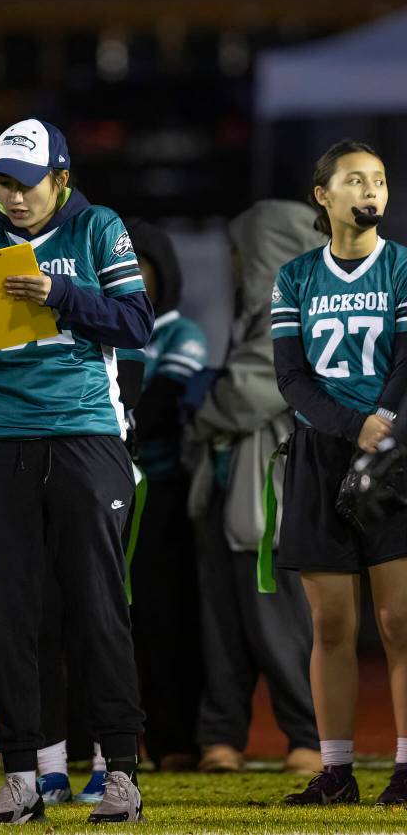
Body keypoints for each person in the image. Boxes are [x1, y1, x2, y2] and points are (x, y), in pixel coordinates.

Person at [0, 119, 152, 824]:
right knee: (7, 611)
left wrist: (57, 294)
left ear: (61, 178)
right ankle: (21, 774)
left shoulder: (98, 228)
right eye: (2, 181)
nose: (11, 196)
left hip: (85, 432)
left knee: (98, 603)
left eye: (24, 182)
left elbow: (136, 324)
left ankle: (120, 769)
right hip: (1, 437)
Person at [272, 140, 407, 805]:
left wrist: (381, 423)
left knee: (398, 619)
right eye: (356, 179)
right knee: (330, 626)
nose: (372, 189)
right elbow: (291, 379)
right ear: (323, 195)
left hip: (395, 453)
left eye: (379, 179)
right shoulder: (296, 276)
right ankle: (337, 770)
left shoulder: (403, 268)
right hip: (323, 454)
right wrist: (351, 425)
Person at [188, 201, 322, 775]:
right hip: (228, 495)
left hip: (274, 500)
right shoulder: (260, 315)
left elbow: (251, 390)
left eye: (244, 252)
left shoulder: (299, 317)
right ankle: (222, 737)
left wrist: (203, 414)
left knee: (279, 625)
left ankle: (308, 738)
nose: (236, 264)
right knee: (223, 628)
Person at [114, 221, 208, 772]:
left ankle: (174, 739)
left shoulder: (180, 332)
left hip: (164, 495)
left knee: (165, 618)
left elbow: (162, 406)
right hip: (108, 492)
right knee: (109, 619)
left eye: (143, 267)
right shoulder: (105, 327)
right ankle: (101, 742)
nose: (133, 277)